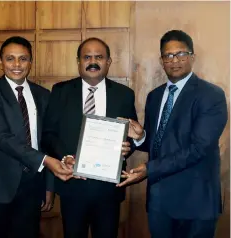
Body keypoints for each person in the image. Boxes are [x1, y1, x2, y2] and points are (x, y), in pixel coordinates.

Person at [118, 30, 228, 238]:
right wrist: (141, 136)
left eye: (181, 54)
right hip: (160, 202)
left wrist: (149, 169)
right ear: (161, 61)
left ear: (192, 57)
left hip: (195, 203)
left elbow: (198, 148)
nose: (174, 60)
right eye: (168, 55)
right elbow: (158, 142)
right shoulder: (155, 96)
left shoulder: (211, 95)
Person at [0, 36, 73, 238]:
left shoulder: (43, 95)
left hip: (32, 185)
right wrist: (46, 161)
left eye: (23, 58)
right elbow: (0, 137)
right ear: (0, 62)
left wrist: (49, 186)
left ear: (30, 62)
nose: (17, 65)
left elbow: (47, 140)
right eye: (10, 59)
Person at [42, 37, 138, 238]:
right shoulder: (61, 91)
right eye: (87, 57)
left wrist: (129, 145)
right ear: (79, 61)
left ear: (108, 62)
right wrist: (64, 157)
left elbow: (132, 135)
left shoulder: (124, 94)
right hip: (72, 185)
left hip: (109, 189)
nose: (93, 62)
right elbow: (48, 135)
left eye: (99, 57)